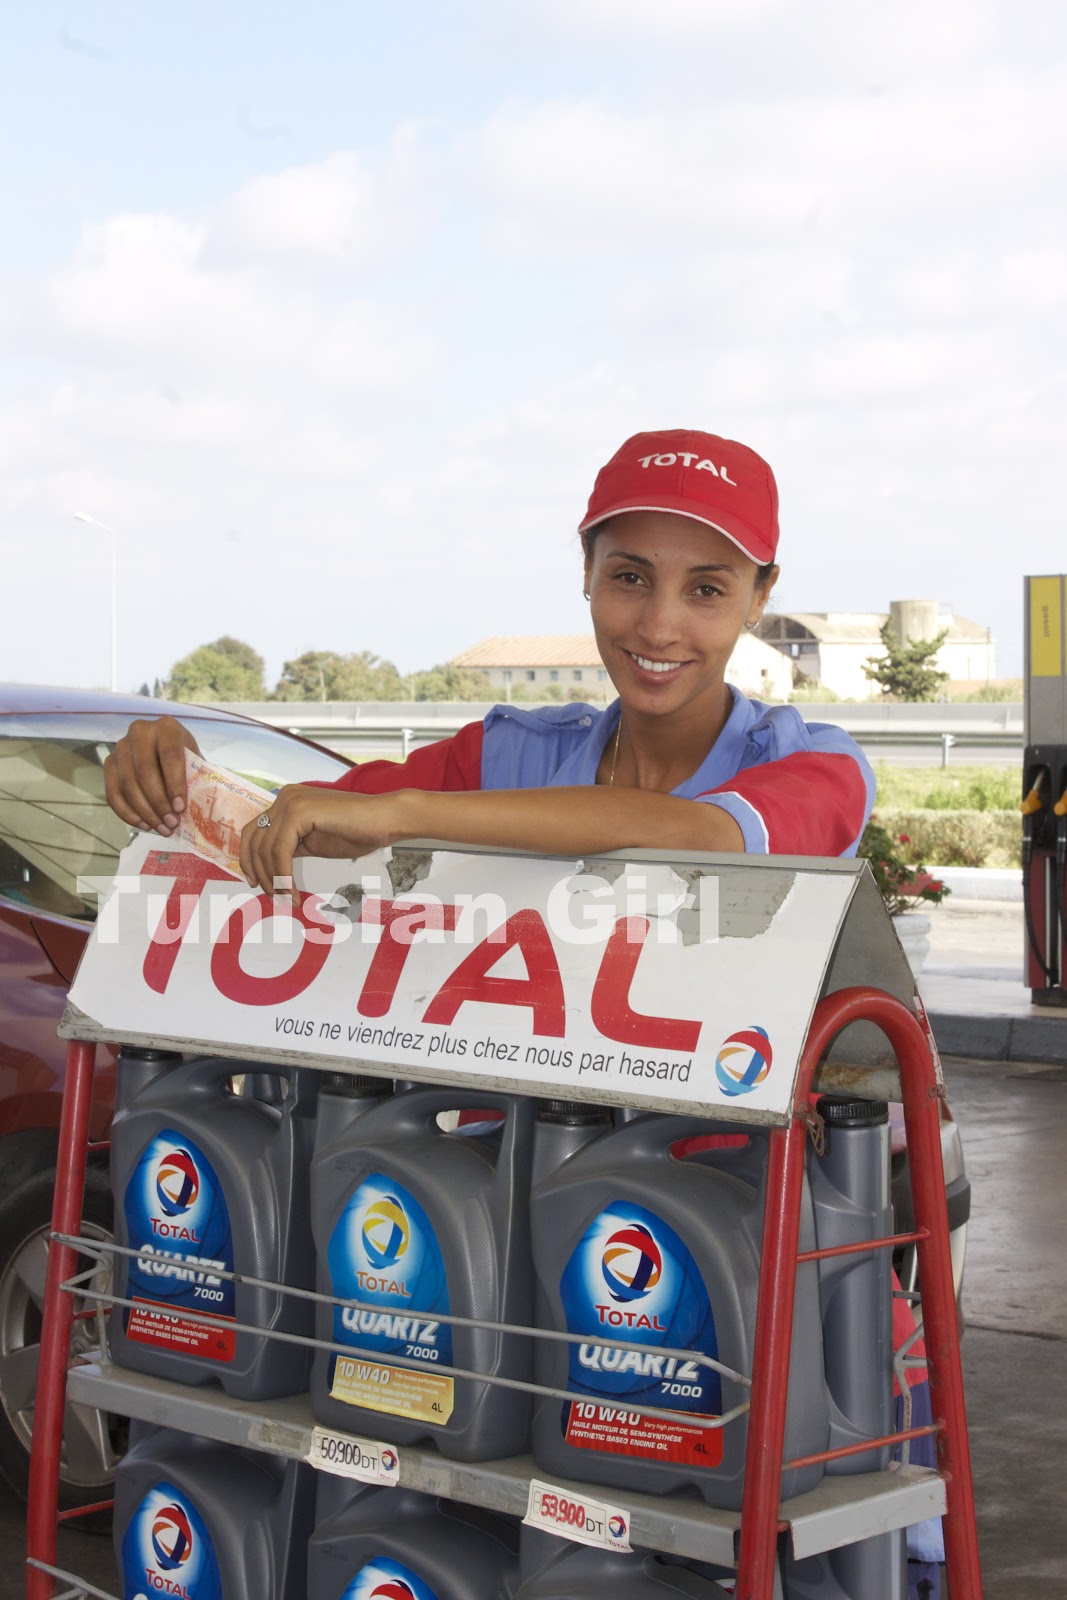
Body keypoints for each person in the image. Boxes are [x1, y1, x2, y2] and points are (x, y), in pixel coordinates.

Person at [104, 427, 875, 884]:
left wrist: (404, 817)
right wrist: (181, 775)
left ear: (759, 596)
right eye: (629, 578)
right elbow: (305, 823)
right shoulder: (504, 756)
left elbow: (700, 835)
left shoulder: (817, 766)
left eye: (705, 590)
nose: (659, 627)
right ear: (586, 571)